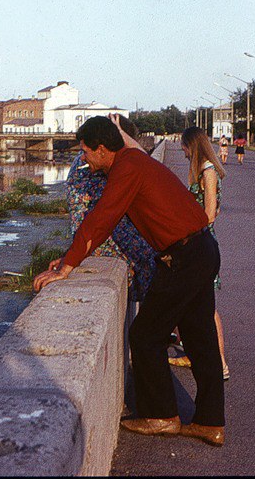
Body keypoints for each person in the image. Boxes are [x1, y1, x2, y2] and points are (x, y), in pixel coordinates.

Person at [34, 116, 225, 447]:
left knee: (145, 335)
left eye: (86, 152)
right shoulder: (133, 161)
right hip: (202, 249)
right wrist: (69, 256)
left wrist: (66, 268)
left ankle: (162, 416)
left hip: (184, 256)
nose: (83, 159)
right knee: (201, 340)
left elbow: (102, 218)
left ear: (103, 149)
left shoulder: (127, 168)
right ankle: (210, 423)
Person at [66, 116, 155, 303]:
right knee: (151, 263)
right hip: (103, 242)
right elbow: (146, 164)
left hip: (88, 238)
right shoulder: (93, 162)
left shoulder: (87, 157)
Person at [168, 127, 229, 381]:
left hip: (201, 244)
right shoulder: (201, 170)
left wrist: (186, 236)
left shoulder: (208, 171)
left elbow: (209, 214)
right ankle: (193, 353)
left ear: (191, 145)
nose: (181, 151)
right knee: (194, 303)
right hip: (197, 242)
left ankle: (221, 363)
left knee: (208, 307)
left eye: (183, 146)